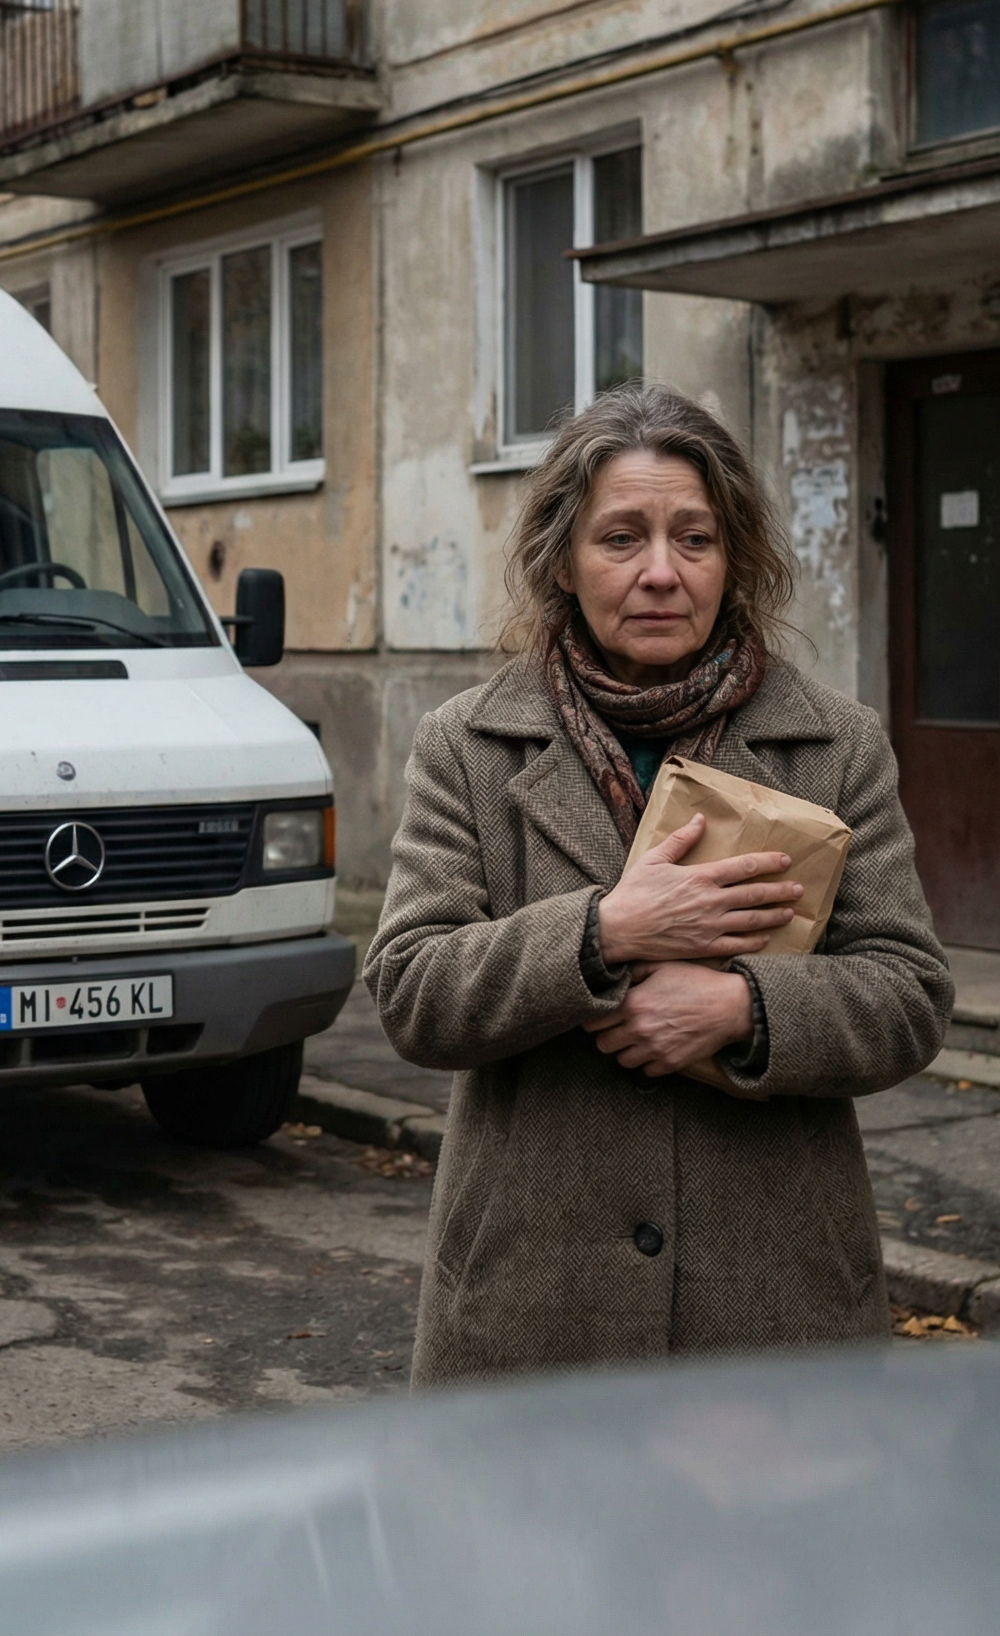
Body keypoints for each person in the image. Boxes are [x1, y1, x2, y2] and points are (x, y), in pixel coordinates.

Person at [366, 381, 950, 1383]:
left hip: (772, 1305)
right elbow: (413, 991)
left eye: (693, 537)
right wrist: (601, 930)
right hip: (531, 1308)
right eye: (620, 537)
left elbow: (907, 991)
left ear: (734, 559)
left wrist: (742, 1007)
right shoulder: (467, 744)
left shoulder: (835, 743)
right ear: (561, 556)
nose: (659, 572)